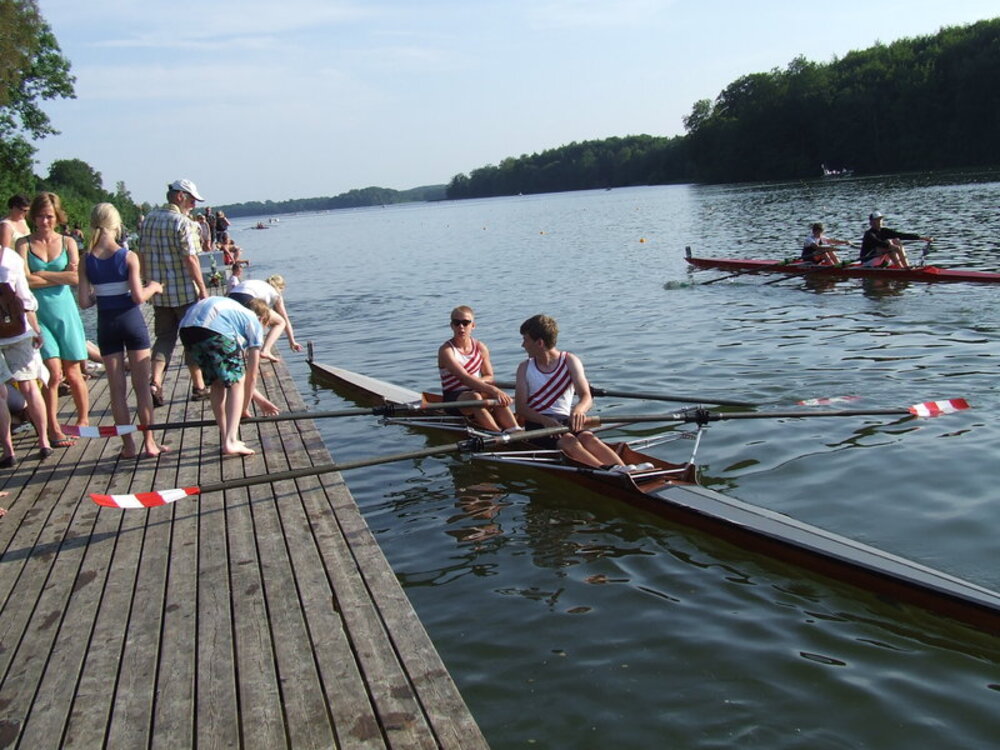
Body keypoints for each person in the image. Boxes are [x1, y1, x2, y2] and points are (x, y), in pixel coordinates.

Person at [78, 203, 168, 459]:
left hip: (107, 325)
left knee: (116, 391)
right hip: (131, 322)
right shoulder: (128, 256)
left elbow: (84, 302)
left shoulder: (87, 259)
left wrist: (101, 293)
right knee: (141, 388)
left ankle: (128, 446)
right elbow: (139, 297)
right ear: (116, 225)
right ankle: (150, 443)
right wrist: (154, 287)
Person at [17, 192, 90, 445]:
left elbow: (75, 278)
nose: (44, 221)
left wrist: (43, 274)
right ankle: (54, 428)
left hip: (65, 311)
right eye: (39, 216)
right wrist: (57, 275)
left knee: (73, 371)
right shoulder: (24, 244)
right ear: (33, 217)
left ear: (57, 217)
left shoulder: (68, 242)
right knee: (53, 372)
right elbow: (24, 280)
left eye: (49, 216)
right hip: (39, 314)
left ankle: (83, 420)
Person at [514, 314, 631, 471]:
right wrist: (544, 420)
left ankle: (627, 470)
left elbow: (586, 396)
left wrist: (579, 410)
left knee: (588, 438)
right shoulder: (524, 367)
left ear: (540, 343)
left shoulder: (570, 361)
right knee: (568, 441)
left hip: (565, 420)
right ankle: (608, 472)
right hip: (537, 424)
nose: (523, 345)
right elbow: (521, 408)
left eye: (526, 340)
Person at [137, 179, 210, 406]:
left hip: (159, 292)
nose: (193, 205)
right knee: (191, 339)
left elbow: (141, 253)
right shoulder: (182, 222)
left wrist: (144, 281)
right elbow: (191, 258)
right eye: (191, 200)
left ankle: (155, 382)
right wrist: (203, 288)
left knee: (164, 338)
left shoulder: (148, 219)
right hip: (185, 292)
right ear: (180, 196)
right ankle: (199, 386)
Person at [179, 296, 277, 456]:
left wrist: (259, 400)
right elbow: (251, 375)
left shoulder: (234, 314)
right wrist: (244, 408)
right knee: (236, 383)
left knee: (217, 382)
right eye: (266, 325)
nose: (264, 329)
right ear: (262, 318)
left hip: (186, 329)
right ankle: (231, 441)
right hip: (212, 329)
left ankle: (226, 437)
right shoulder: (253, 320)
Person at [0, 233, 52, 463]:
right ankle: (43, 441)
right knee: (30, 386)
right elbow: (25, 298)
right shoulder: (10, 257)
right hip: (18, 330)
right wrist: (36, 329)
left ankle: (8, 451)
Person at [436, 305, 518, 432]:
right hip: (454, 398)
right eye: (457, 323)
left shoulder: (480, 347)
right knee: (478, 396)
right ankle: (497, 434)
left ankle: (515, 430)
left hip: (476, 391)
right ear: (451, 326)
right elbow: (464, 378)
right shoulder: (446, 351)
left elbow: (489, 376)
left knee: (490, 395)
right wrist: (494, 390)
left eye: (465, 323)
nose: (461, 327)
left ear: (473, 325)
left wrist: (488, 389)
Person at [228, 274, 301, 361]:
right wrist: (292, 341)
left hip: (231, 298)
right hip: (247, 298)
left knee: (256, 321)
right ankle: (265, 350)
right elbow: (285, 319)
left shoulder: (260, 284)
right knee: (280, 322)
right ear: (280, 288)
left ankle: (248, 350)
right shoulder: (276, 294)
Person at [859, 211, 933, 269]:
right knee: (889, 243)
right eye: (877, 220)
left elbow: (901, 235)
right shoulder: (868, 234)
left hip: (880, 260)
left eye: (880, 219)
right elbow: (878, 243)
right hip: (868, 261)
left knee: (896, 240)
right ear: (871, 222)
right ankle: (901, 268)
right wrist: (891, 246)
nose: (880, 221)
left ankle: (906, 266)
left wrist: (921, 238)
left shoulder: (884, 231)